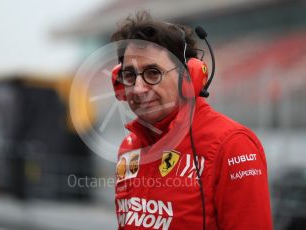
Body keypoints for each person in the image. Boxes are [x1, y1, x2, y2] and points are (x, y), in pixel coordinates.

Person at [111, 11, 272, 230]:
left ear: (189, 77)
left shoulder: (234, 146)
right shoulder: (128, 147)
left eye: (153, 73)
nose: (138, 89)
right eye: (130, 75)